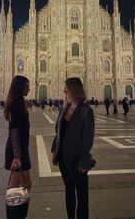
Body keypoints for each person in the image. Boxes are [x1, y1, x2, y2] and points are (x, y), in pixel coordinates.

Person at [51, 77, 95, 219]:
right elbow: (58, 130)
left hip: (77, 160)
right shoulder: (65, 108)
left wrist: (84, 161)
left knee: (82, 196)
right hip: (64, 159)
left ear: (74, 89)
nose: (64, 90)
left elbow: (88, 138)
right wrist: (54, 150)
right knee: (69, 191)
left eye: (66, 88)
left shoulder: (85, 110)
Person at [4, 76, 32, 218]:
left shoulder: (18, 101)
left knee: (19, 185)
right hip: (18, 150)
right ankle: (15, 215)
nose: (29, 88)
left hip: (20, 149)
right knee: (19, 186)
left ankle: (16, 215)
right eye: (27, 86)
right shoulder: (17, 103)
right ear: (20, 87)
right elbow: (14, 130)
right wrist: (17, 156)